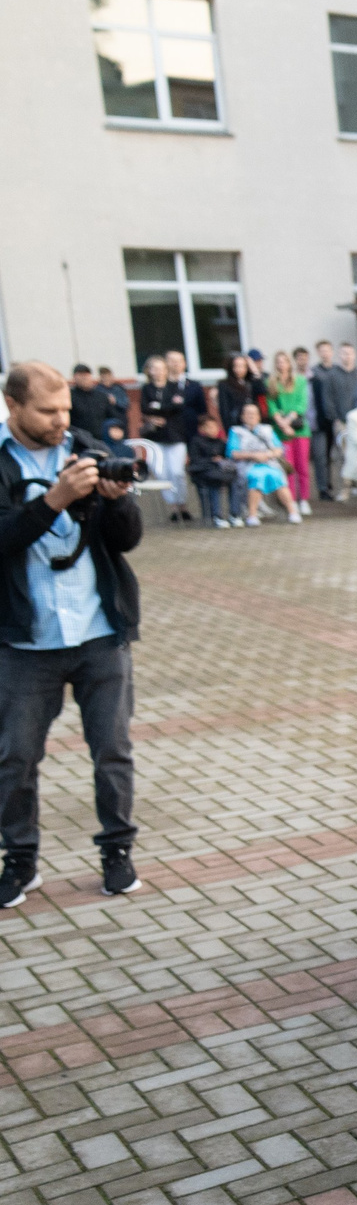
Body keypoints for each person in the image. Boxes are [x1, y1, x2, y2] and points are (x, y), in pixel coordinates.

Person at [0, 363, 144, 907]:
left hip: (99, 631)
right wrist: (54, 500)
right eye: (48, 411)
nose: (62, 420)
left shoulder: (85, 449)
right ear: (13, 407)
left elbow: (126, 540)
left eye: (65, 408)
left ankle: (117, 852)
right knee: (15, 759)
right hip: (25, 642)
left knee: (113, 753)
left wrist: (116, 500)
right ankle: (20, 860)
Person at [133, 356, 192, 523]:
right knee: (161, 472)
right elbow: (145, 408)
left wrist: (157, 408)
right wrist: (156, 413)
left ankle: (182, 504)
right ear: (149, 371)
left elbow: (177, 406)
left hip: (175, 436)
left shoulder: (174, 387)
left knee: (177, 472)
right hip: (155, 438)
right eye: (155, 368)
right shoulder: (147, 389)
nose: (158, 372)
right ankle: (173, 507)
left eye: (161, 368)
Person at [229, 400, 300, 527]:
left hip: (269, 463)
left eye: (254, 413)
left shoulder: (267, 429)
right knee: (257, 477)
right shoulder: (236, 431)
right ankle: (252, 515)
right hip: (248, 465)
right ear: (242, 416)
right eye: (248, 413)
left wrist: (267, 455)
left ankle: (292, 512)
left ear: (259, 416)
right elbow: (233, 453)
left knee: (278, 477)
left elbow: (279, 449)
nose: (251, 416)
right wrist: (253, 456)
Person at [308, 341, 357, 501]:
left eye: (349, 353)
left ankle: (352, 486)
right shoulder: (329, 375)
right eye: (344, 353)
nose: (347, 356)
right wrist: (335, 418)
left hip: (355, 422)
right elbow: (327, 399)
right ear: (339, 355)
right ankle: (335, 488)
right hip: (336, 422)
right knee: (333, 456)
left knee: (350, 455)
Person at [265, 351, 313, 507]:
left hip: (299, 429)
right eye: (278, 362)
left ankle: (303, 499)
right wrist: (282, 423)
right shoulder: (270, 382)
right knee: (287, 466)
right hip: (281, 430)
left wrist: (288, 421)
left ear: (289, 363)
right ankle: (290, 500)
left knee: (302, 466)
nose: (281, 364)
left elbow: (301, 403)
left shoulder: (300, 380)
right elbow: (271, 405)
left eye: (284, 361)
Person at [187, 414, 241, 527]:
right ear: (202, 429)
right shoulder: (196, 442)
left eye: (215, 427)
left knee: (235, 480)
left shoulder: (221, 443)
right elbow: (195, 461)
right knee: (214, 482)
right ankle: (217, 516)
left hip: (219, 472)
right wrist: (212, 461)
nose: (213, 430)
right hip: (203, 473)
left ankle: (235, 514)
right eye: (210, 427)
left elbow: (227, 459)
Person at [215, 353, 262, 433]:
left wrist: (254, 369)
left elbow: (261, 390)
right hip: (236, 424)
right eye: (236, 366)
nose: (240, 369)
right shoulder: (225, 384)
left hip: (253, 424)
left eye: (243, 366)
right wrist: (228, 429)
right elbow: (224, 409)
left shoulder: (250, 382)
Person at [68, 366, 115, 443]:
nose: (84, 378)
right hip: (79, 441)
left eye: (86, 375)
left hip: (102, 439)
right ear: (74, 378)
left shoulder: (101, 396)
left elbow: (111, 417)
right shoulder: (69, 397)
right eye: (80, 375)